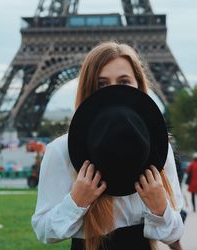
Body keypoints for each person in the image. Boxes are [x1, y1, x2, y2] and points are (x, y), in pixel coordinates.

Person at [31, 41, 184, 250]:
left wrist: (160, 209)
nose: (113, 90)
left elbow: (174, 237)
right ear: (88, 88)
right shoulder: (60, 151)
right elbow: (44, 231)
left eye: (124, 81)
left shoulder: (158, 149)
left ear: (139, 86)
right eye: (101, 83)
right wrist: (76, 201)